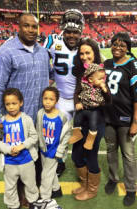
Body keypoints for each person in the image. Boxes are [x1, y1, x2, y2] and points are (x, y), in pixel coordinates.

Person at [0, 13, 51, 208]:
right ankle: (21, 198)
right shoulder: (6, 52)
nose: (31, 30)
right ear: (18, 27)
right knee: (16, 158)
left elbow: (50, 77)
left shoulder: (42, 52)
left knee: (37, 157)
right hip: (16, 118)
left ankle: (33, 192)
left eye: (34, 26)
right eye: (27, 26)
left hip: (39, 116)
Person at [102, 32, 137, 206]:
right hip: (108, 117)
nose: (117, 47)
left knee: (128, 154)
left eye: (122, 45)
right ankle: (113, 178)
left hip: (127, 119)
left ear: (128, 47)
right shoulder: (106, 64)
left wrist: (135, 122)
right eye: (115, 44)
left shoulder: (135, 67)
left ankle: (131, 188)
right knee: (111, 149)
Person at [42, 9, 85, 176]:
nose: (72, 36)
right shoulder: (52, 41)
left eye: (75, 32)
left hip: (81, 99)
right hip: (60, 99)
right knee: (57, 135)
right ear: (63, 30)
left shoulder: (86, 44)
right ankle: (60, 163)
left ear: (81, 31)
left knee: (82, 134)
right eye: (68, 32)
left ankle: (81, 162)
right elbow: (41, 62)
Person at [68, 37, 106, 202]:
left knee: (90, 155)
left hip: (96, 121)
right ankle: (84, 184)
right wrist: (77, 103)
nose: (84, 56)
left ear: (95, 53)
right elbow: (77, 92)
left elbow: (107, 97)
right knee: (76, 155)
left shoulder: (102, 71)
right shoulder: (80, 71)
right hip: (81, 119)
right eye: (81, 53)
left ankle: (91, 190)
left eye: (88, 53)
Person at [0, 88, 39, 209]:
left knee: (31, 185)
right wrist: (8, 149)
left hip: (26, 161)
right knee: (10, 187)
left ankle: (33, 203)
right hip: (9, 163)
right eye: (8, 104)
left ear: (21, 103)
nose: (11, 107)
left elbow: (34, 137)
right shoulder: (1, 122)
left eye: (14, 103)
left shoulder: (27, 119)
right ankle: (13, 205)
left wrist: (22, 146)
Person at [37, 87, 71, 201]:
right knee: (49, 172)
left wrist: (60, 150)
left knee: (46, 175)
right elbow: (38, 131)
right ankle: (56, 189)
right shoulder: (40, 113)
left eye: (51, 99)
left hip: (54, 151)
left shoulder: (61, 116)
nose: (47, 101)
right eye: (45, 98)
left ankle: (45, 198)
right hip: (44, 149)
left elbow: (66, 135)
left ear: (56, 101)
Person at [68, 64, 111, 151]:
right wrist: (77, 103)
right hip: (83, 107)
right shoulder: (83, 84)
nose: (102, 81)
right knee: (76, 119)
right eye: (100, 79)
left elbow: (108, 99)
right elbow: (76, 93)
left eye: (103, 78)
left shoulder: (102, 87)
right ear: (90, 79)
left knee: (93, 124)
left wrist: (105, 90)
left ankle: (90, 140)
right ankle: (76, 133)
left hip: (94, 110)